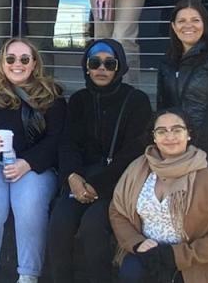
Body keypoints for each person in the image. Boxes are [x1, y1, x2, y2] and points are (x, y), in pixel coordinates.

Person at [0, 38, 67, 283]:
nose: (17, 64)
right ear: (2, 62)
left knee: (29, 209)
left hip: (34, 166)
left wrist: (27, 163)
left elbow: (57, 139)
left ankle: (28, 276)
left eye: (24, 59)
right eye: (11, 59)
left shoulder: (51, 96)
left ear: (34, 63)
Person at [48, 38, 152, 283]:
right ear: (87, 67)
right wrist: (72, 177)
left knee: (93, 227)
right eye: (95, 63)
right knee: (59, 224)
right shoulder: (79, 100)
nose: (102, 69)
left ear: (119, 68)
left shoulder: (137, 101)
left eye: (109, 63)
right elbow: (68, 143)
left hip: (117, 182)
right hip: (79, 180)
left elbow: (133, 153)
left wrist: (97, 184)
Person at [107, 110, 208, 283]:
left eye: (177, 130)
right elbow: (118, 212)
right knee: (130, 272)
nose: (170, 136)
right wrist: (136, 242)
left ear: (188, 134)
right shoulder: (137, 168)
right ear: (154, 137)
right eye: (161, 131)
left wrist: (176, 256)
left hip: (189, 261)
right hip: (145, 253)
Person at [155, 0, 208, 174]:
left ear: (205, 23)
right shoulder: (168, 59)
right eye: (182, 21)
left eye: (195, 20)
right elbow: (163, 104)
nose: (188, 25)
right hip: (175, 145)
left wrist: (194, 139)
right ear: (173, 26)